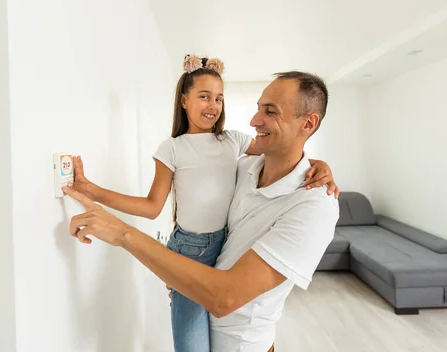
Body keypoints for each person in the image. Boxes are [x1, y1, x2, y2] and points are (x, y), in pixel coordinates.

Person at [64, 70, 340, 351]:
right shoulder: (243, 169)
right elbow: (155, 205)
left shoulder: (313, 205)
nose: (254, 120)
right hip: (193, 263)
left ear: (308, 123)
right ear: (184, 101)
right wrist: (92, 191)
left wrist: (123, 233)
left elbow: (224, 298)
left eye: (270, 111)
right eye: (258, 109)